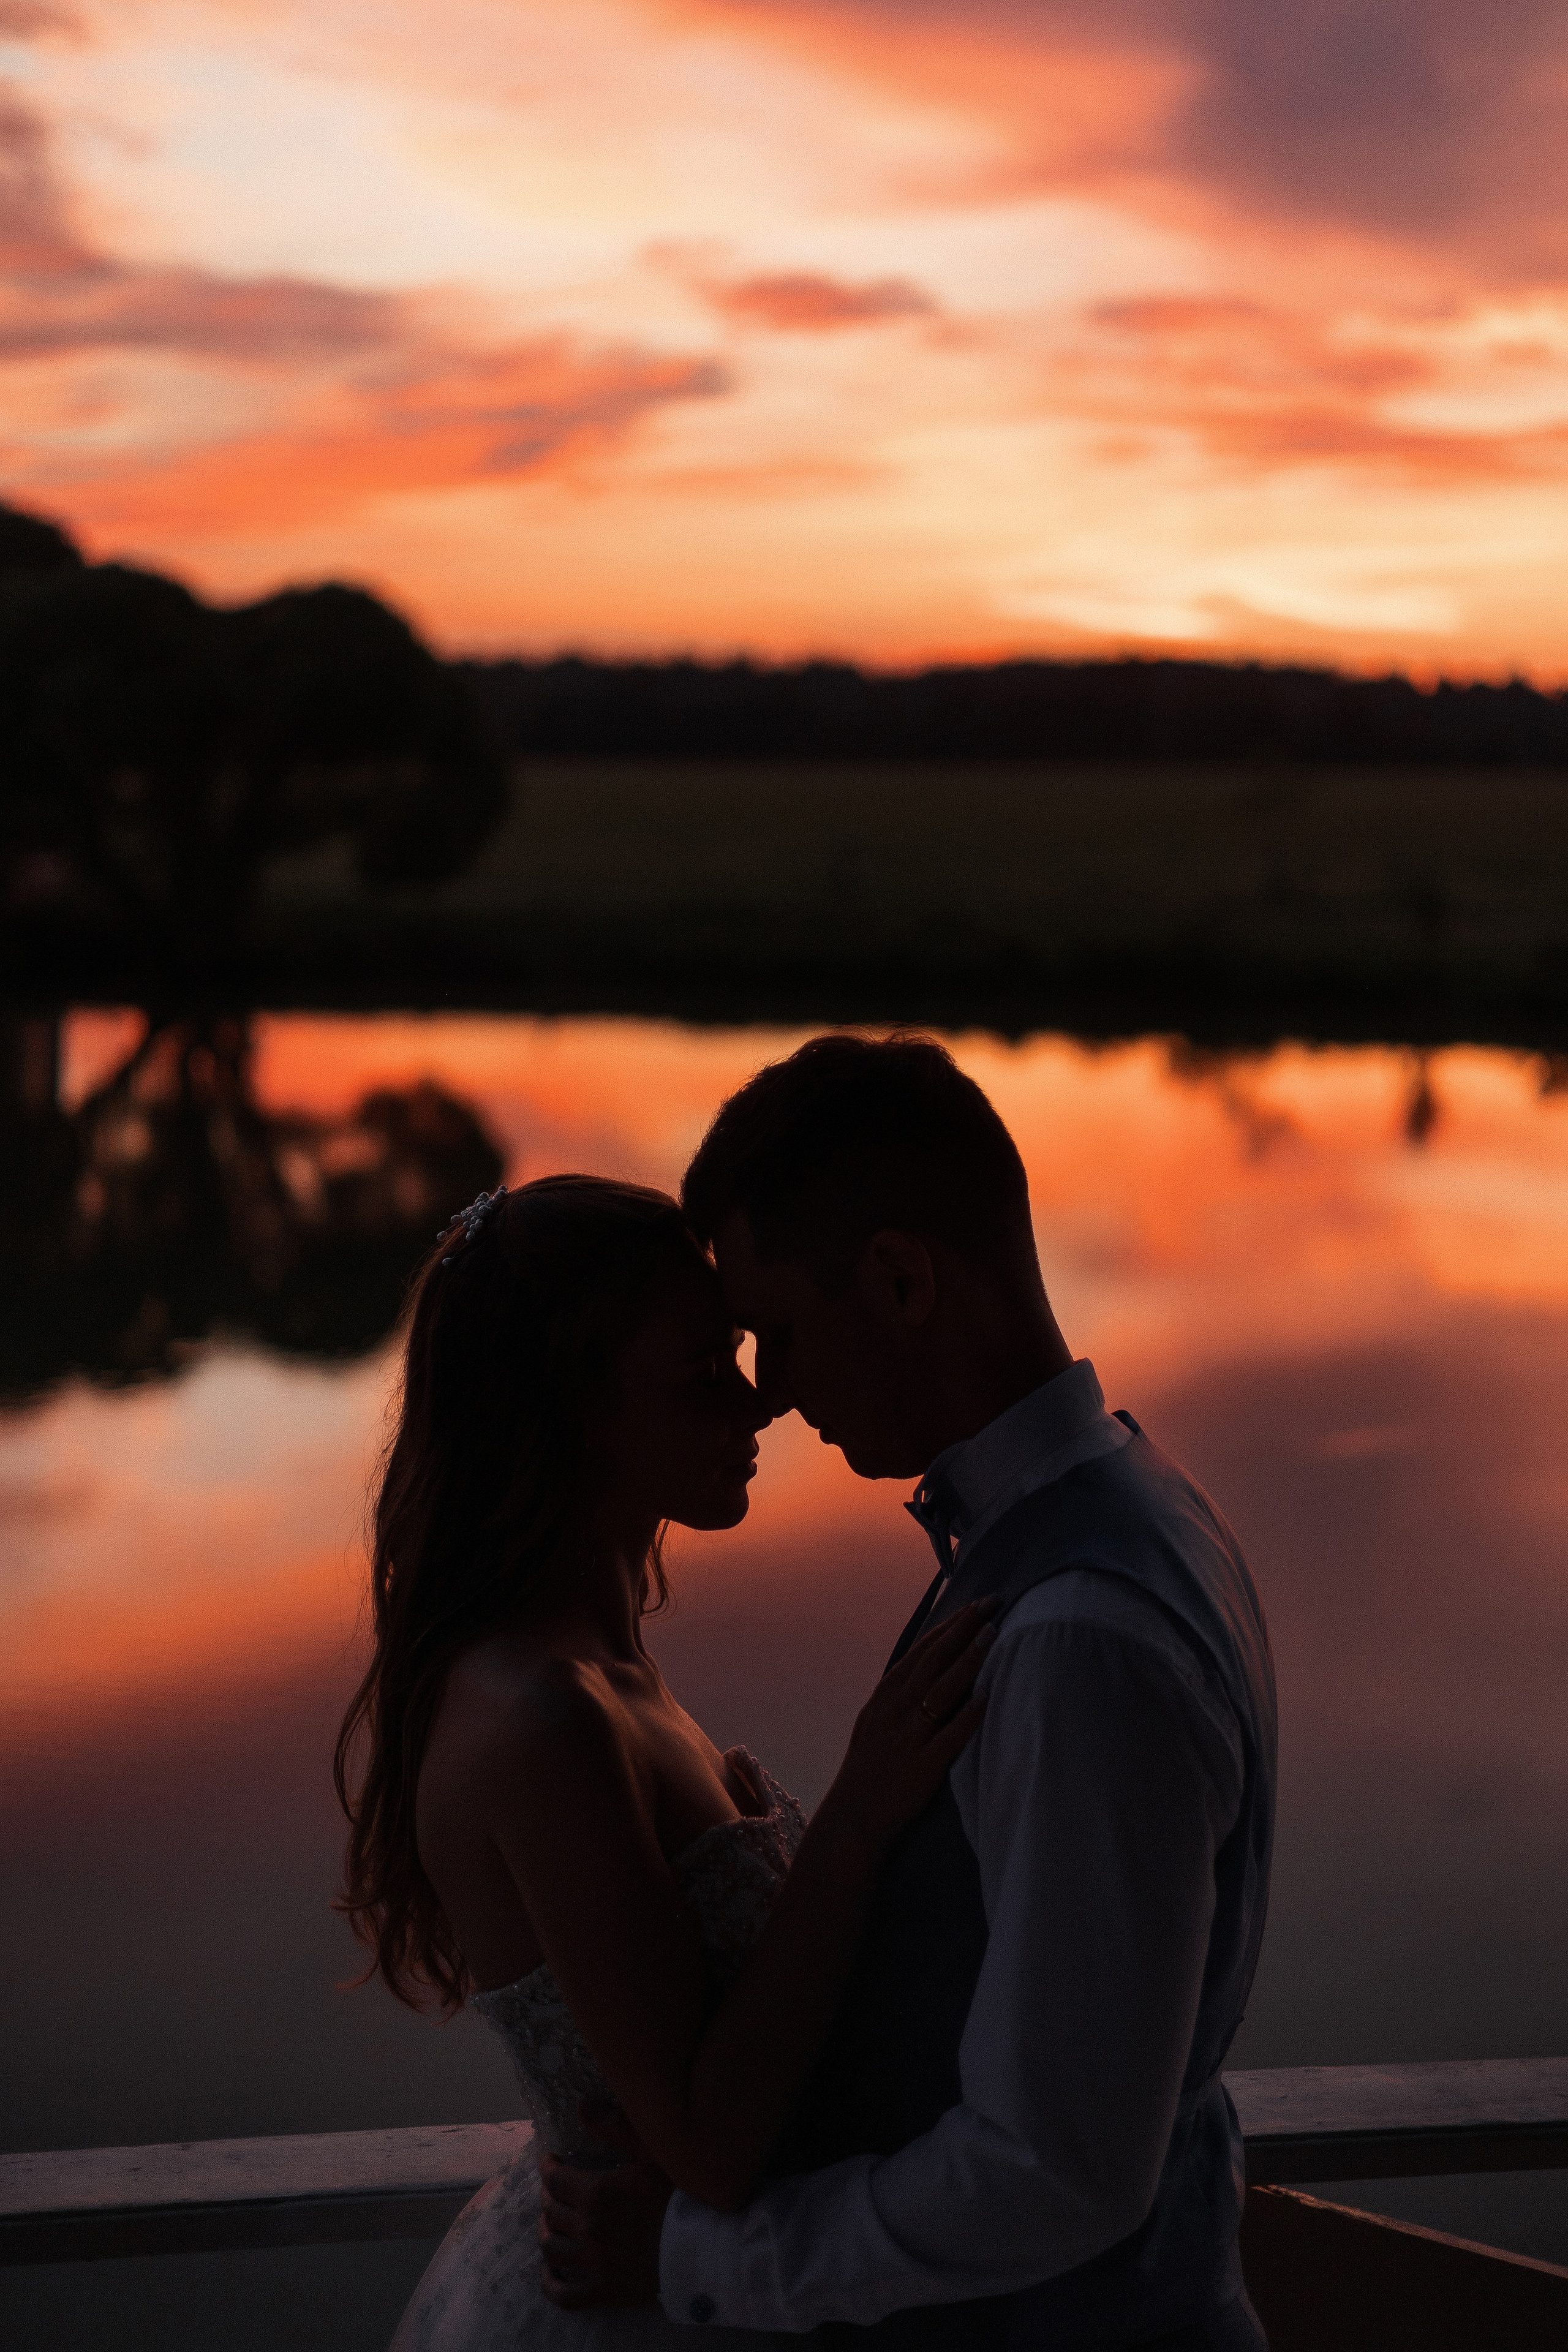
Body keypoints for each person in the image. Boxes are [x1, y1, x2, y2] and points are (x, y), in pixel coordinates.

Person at [540, 1035, 1278, 2350]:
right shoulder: (1131, 1512)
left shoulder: (1072, 1637)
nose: (767, 1396)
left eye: (772, 1335)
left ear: (896, 1281)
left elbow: (1052, 2168)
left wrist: (700, 2256)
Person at [334, 1170, 997, 2351]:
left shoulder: (599, 1665)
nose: (755, 1409)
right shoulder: (545, 1717)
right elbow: (703, 2136)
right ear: (571, 1414)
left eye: (736, 1356)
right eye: (700, 1377)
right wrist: (858, 1810)